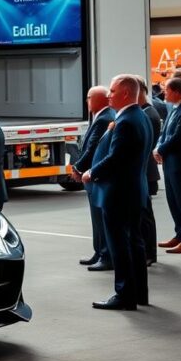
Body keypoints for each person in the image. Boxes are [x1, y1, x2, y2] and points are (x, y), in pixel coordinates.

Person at [83, 75, 152, 310]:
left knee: (120, 246)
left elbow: (116, 158)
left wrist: (91, 173)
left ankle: (124, 295)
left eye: (112, 91)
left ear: (124, 93)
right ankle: (139, 292)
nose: (109, 95)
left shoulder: (126, 121)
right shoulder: (140, 116)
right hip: (134, 191)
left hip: (119, 193)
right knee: (135, 243)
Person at [71, 86, 116, 269]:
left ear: (99, 99)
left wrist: (78, 167)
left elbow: (93, 148)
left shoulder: (105, 118)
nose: (87, 101)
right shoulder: (101, 117)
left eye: (89, 97)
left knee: (100, 218)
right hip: (93, 175)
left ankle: (105, 255)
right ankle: (99, 252)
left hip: (95, 175)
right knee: (96, 219)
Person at [154, 77, 181, 254]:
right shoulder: (174, 108)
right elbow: (164, 132)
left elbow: (179, 138)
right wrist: (158, 147)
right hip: (171, 162)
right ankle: (180, 234)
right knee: (173, 201)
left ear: (178, 92)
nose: (164, 92)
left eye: (167, 89)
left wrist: (160, 150)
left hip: (180, 163)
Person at [135, 75, 161, 267]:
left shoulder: (148, 114)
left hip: (146, 172)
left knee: (145, 217)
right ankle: (147, 251)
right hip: (145, 171)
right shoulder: (146, 112)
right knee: (143, 215)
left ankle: (149, 253)